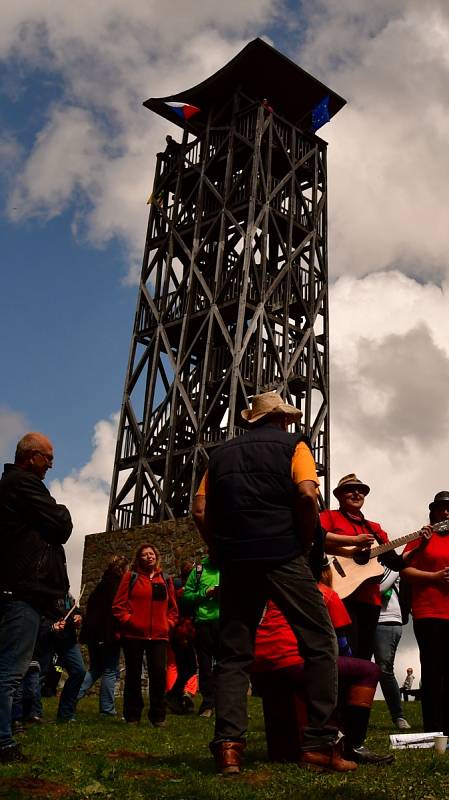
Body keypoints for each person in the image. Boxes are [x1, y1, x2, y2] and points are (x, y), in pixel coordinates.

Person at [193, 391, 339, 776]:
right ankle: (320, 743)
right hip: (283, 553)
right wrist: (304, 543)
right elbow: (307, 494)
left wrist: (219, 549)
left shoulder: (220, 456)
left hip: (236, 560)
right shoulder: (295, 445)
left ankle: (229, 747)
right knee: (320, 641)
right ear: (284, 421)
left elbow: (199, 509)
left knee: (233, 655)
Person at [252, 569, 393, 767]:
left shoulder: (279, 595)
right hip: (293, 663)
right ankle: (353, 745)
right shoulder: (325, 593)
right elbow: (343, 647)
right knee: (367, 670)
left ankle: (288, 747)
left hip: (260, 668)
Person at [0, 432, 72, 762]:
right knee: (11, 671)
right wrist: (63, 511)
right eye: (48, 459)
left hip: (17, 588)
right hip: (22, 591)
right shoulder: (23, 484)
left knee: (11, 668)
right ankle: (2, 742)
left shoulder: (11, 485)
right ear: (31, 458)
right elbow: (60, 525)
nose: (51, 465)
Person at [321, 474, 407, 660]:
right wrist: (354, 542)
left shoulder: (374, 528)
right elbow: (316, 537)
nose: (357, 493)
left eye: (361, 490)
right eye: (350, 489)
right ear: (339, 495)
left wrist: (420, 546)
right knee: (341, 655)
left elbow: (395, 562)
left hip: (370, 601)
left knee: (363, 656)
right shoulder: (329, 517)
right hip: (339, 596)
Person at [112, 543, 178, 727]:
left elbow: (173, 609)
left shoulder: (165, 579)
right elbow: (118, 605)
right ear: (138, 558)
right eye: (144, 554)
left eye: (151, 553)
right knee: (133, 675)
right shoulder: (130, 577)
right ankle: (132, 715)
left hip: (159, 636)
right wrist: (129, 621)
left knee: (158, 675)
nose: (149, 556)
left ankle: (158, 716)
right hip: (133, 635)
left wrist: (168, 624)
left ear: (156, 556)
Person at [401, 491, 449, 733]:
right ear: (433, 512)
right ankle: (433, 726)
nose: (446, 513)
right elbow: (404, 570)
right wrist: (435, 577)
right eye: (441, 508)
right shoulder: (422, 538)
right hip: (429, 611)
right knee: (432, 668)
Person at [77, 555, 128, 716]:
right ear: (122, 569)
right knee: (109, 670)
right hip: (107, 635)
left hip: (93, 634)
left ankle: (71, 697)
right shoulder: (117, 587)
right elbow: (114, 613)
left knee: (96, 668)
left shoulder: (100, 585)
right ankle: (107, 709)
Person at [182, 553, 220, 718]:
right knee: (205, 666)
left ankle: (226, 704)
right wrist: (205, 593)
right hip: (203, 623)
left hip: (225, 623)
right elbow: (187, 595)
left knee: (227, 665)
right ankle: (208, 704)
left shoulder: (229, 567)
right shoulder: (198, 570)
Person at [372, 570, 410, 730]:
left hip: (386, 619)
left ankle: (398, 717)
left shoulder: (391, 560)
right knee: (356, 667)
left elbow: (380, 587)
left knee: (384, 670)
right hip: (359, 617)